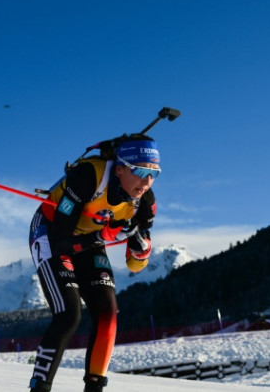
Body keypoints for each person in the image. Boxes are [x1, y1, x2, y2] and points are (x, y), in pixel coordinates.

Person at [27, 137, 160, 392]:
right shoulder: (89, 175)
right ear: (119, 168)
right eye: (141, 171)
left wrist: (140, 248)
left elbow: (135, 265)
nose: (146, 181)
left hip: (90, 240)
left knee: (108, 313)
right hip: (52, 231)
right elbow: (61, 240)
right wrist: (107, 235)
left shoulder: (144, 203)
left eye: (153, 174)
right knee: (69, 313)